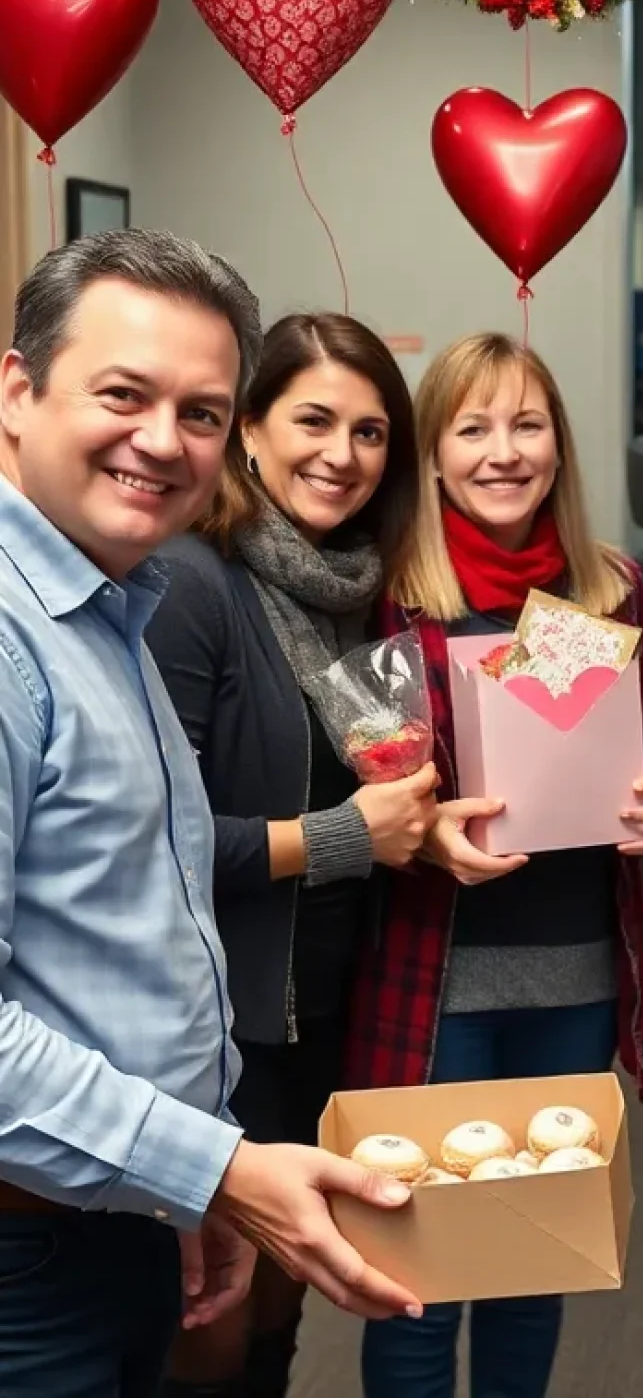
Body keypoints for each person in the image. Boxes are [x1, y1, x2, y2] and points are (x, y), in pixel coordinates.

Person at [0, 231, 422, 1398]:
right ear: (18, 392)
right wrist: (214, 1168)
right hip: (26, 1253)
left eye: (197, 410)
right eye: (124, 395)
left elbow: (145, 922)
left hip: (124, 1207)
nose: (161, 441)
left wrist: (190, 1171)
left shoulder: (114, 609)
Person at [349, 333, 643, 1398]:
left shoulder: (602, 589)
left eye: (528, 424)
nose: (505, 452)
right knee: (422, 1268)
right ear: (435, 454)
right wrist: (424, 826)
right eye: (475, 427)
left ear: (560, 445)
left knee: (534, 1257)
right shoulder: (395, 591)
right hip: (436, 981)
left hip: (577, 974)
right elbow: (352, 774)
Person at [146, 314, 435, 1398]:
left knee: (285, 1300)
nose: (342, 455)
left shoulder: (367, 593)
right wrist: (351, 837)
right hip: (221, 1023)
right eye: (312, 420)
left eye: (371, 434)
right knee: (213, 1320)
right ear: (251, 429)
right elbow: (153, 843)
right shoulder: (192, 583)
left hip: (336, 1002)